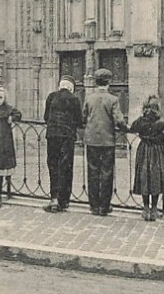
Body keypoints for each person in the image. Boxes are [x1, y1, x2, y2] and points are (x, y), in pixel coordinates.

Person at [82, 68, 127, 217]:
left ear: (95, 82)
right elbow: (118, 119)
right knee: (106, 172)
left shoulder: (89, 98)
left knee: (92, 172)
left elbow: (84, 117)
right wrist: (125, 128)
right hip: (107, 141)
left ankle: (94, 206)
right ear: (108, 82)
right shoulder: (113, 99)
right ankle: (104, 206)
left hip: (91, 139)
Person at [128, 95, 164, 221]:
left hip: (144, 150)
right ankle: (154, 209)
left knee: (144, 177)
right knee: (155, 178)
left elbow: (132, 128)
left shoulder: (140, 121)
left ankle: (145, 208)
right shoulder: (162, 122)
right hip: (157, 151)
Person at [43, 76, 83, 213]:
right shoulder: (74, 99)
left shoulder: (51, 97)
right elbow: (79, 120)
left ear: (60, 86)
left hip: (52, 135)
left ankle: (53, 199)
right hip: (67, 137)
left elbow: (45, 117)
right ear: (71, 88)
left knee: (53, 166)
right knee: (65, 167)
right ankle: (64, 200)